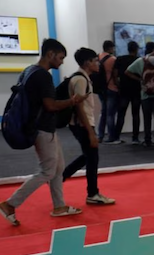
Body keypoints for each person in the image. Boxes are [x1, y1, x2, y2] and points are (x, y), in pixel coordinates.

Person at [0, 39, 86, 226]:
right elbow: (50, 105)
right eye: (60, 58)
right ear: (50, 54)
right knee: (47, 171)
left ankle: (59, 206)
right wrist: (73, 101)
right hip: (43, 129)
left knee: (58, 168)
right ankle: (10, 204)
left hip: (40, 127)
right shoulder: (43, 76)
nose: (61, 62)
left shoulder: (29, 71)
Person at [62, 47, 116, 205]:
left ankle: (61, 178)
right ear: (87, 62)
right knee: (92, 157)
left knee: (89, 156)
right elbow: (78, 107)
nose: (98, 63)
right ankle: (92, 193)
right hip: (82, 124)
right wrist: (91, 132)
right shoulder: (81, 79)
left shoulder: (82, 78)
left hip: (82, 123)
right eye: (95, 61)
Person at [125, 41, 154, 147]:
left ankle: (147, 140)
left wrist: (140, 79)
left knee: (147, 118)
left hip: (145, 93)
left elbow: (127, 72)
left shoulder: (140, 61)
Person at [113, 41, 142, 145]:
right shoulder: (139, 60)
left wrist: (118, 85)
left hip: (124, 90)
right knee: (136, 114)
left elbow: (115, 74)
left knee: (121, 114)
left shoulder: (120, 59)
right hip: (136, 90)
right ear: (137, 49)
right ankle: (135, 138)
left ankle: (116, 137)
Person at [97, 40, 120, 144]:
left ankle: (100, 135)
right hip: (111, 88)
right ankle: (111, 136)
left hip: (101, 89)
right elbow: (115, 75)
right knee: (110, 114)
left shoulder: (98, 57)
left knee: (103, 112)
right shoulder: (113, 59)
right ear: (110, 48)